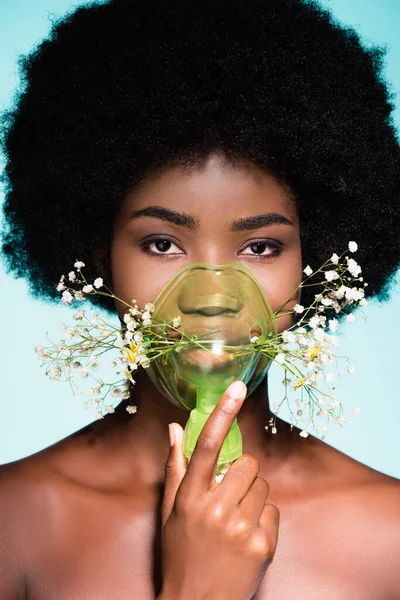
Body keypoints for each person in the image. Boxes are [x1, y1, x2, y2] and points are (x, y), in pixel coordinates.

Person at [1, 0, 400, 598]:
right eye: (162, 243)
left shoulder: (388, 534)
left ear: (315, 261)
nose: (213, 296)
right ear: (97, 252)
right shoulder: (17, 522)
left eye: (261, 247)